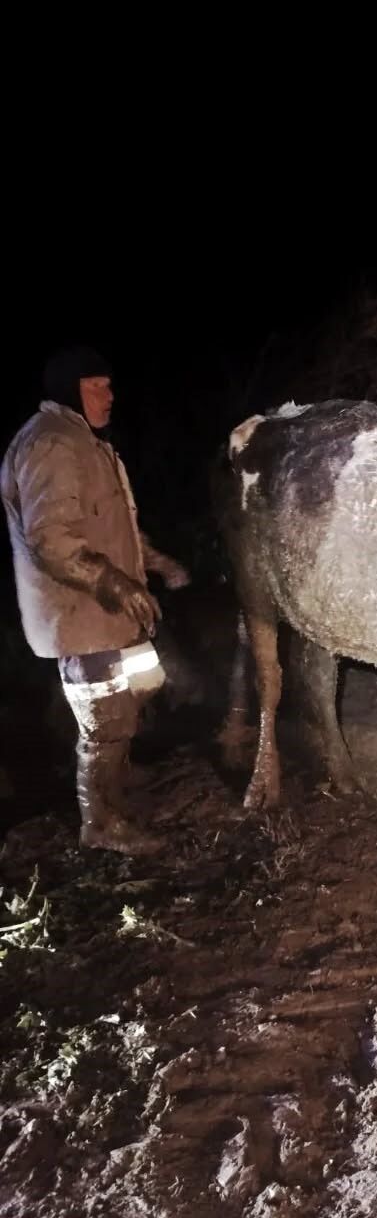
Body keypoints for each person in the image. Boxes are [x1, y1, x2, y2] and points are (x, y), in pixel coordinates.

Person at [1, 345, 190, 854]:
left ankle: (116, 778)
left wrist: (155, 562)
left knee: (143, 687)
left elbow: (113, 526)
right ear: (68, 389)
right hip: (81, 615)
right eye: (96, 386)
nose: (109, 395)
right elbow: (52, 541)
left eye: (108, 384)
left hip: (113, 614)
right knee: (105, 722)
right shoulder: (52, 445)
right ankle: (101, 821)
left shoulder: (87, 443)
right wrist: (116, 584)